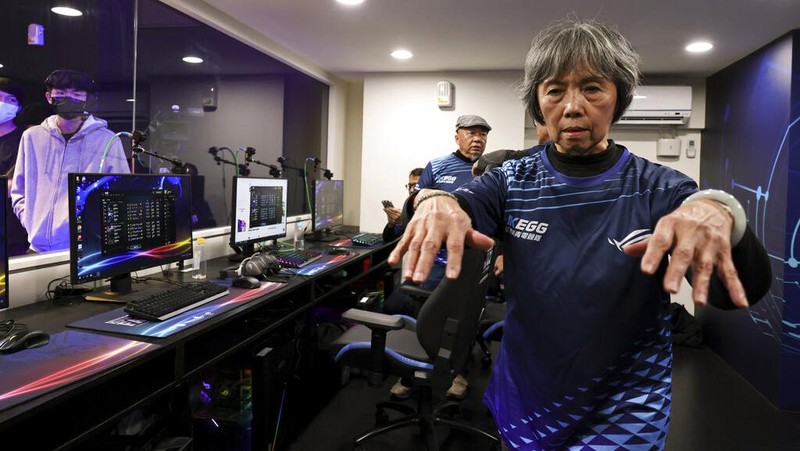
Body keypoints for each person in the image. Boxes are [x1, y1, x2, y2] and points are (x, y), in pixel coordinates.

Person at [388, 18, 772, 450]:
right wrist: (432, 200)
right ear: (538, 104)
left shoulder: (660, 188)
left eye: (592, 89)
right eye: (555, 91)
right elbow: (458, 204)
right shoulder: (511, 179)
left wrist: (722, 212)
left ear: (617, 98)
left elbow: (739, 290)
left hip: (625, 411)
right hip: (526, 401)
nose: (572, 106)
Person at [386, 114, 491, 401]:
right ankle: (410, 375)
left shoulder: (491, 169)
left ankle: (458, 371)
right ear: (457, 136)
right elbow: (419, 201)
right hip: (434, 259)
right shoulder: (438, 165)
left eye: (483, 134)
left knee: (461, 319)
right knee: (423, 314)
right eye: (471, 133)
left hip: (471, 260)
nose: (477, 139)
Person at [11, 69, 129, 253]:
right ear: (49, 97)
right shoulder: (32, 137)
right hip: (37, 247)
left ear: (86, 99)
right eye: (61, 93)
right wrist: (30, 221)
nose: (69, 98)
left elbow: (121, 193)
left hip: (85, 248)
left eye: (77, 94)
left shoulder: (107, 140)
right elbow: (19, 189)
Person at [382, 167, 423, 242]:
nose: (411, 190)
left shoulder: (436, 209)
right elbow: (388, 239)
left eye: (415, 186)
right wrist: (391, 224)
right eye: (410, 186)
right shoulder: (409, 208)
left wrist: (405, 220)